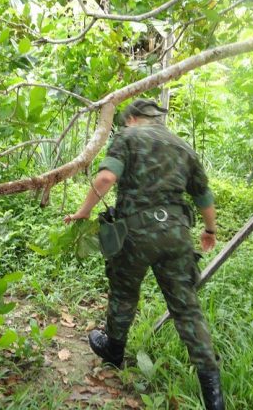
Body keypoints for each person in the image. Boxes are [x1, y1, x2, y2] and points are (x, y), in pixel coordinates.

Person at [64, 99, 224, 410]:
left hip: (135, 233)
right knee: (187, 308)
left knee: (124, 293)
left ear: (132, 119)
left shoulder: (127, 137)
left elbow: (106, 178)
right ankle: (213, 392)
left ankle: (113, 349)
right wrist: (210, 230)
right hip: (176, 234)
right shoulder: (183, 147)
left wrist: (83, 212)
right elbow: (204, 196)